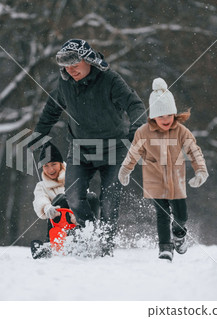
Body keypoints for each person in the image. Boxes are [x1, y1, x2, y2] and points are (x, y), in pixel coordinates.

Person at [30, 39, 147, 256]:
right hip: (80, 149)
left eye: (75, 64)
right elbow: (51, 110)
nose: (71, 70)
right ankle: (90, 235)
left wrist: (137, 129)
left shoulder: (109, 79)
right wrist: (38, 135)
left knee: (109, 199)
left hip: (114, 148)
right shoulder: (65, 82)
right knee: (73, 196)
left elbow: (135, 104)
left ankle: (105, 246)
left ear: (88, 60)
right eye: (66, 66)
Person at [118, 78, 209, 261]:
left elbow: (194, 151)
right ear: (153, 117)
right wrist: (125, 170)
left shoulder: (181, 131)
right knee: (162, 214)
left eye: (168, 115)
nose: (165, 120)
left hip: (176, 180)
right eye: (161, 116)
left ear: (174, 114)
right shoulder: (143, 132)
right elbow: (133, 153)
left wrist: (201, 171)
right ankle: (165, 248)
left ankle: (179, 233)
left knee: (181, 215)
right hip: (154, 180)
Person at [31, 142, 99, 258]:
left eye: (53, 164)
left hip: (76, 223)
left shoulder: (74, 179)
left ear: (61, 164)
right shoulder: (41, 186)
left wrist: (78, 213)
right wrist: (47, 207)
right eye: (46, 166)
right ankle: (53, 244)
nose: (50, 169)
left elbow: (84, 196)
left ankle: (89, 238)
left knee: (91, 197)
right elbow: (40, 199)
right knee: (60, 199)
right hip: (57, 225)